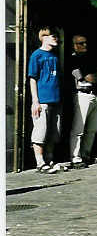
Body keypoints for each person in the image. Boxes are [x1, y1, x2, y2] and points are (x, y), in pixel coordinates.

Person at [68, 34, 97, 168]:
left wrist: (96, 77)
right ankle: (75, 157)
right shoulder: (73, 60)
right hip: (82, 95)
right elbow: (87, 77)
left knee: (92, 128)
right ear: (74, 45)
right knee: (79, 128)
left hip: (95, 94)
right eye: (81, 43)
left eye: (85, 43)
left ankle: (86, 154)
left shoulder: (91, 58)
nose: (84, 45)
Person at [28, 26, 62, 173]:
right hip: (43, 100)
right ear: (44, 37)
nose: (56, 38)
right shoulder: (36, 55)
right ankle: (40, 162)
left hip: (56, 99)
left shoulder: (54, 56)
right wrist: (35, 101)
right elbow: (32, 78)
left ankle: (49, 159)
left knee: (53, 132)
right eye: (52, 35)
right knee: (40, 132)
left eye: (56, 36)